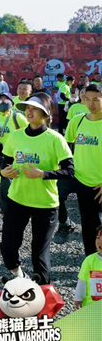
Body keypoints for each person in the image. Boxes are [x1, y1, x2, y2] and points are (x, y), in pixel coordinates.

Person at [1, 92, 73, 285]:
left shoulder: (55, 139)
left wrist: (43, 174)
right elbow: (5, 163)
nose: (30, 111)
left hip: (45, 204)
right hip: (17, 199)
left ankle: (43, 293)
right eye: (28, 108)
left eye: (35, 108)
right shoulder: (15, 136)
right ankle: (20, 277)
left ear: (46, 113)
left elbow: (69, 171)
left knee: (39, 253)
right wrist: (3, 172)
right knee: (8, 248)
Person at [63, 84, 102, 255]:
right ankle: (91, 263)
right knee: (88, 227)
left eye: (96, 100)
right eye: (87, 99)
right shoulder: (77, 121)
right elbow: (66, 149)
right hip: (83, 182)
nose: (91, 104)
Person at [73, 225, 102, 309]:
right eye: (98, 238)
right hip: (91, 305)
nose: (100, 242)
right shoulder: (89, 260)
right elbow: (82, 280)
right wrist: (79, 297)